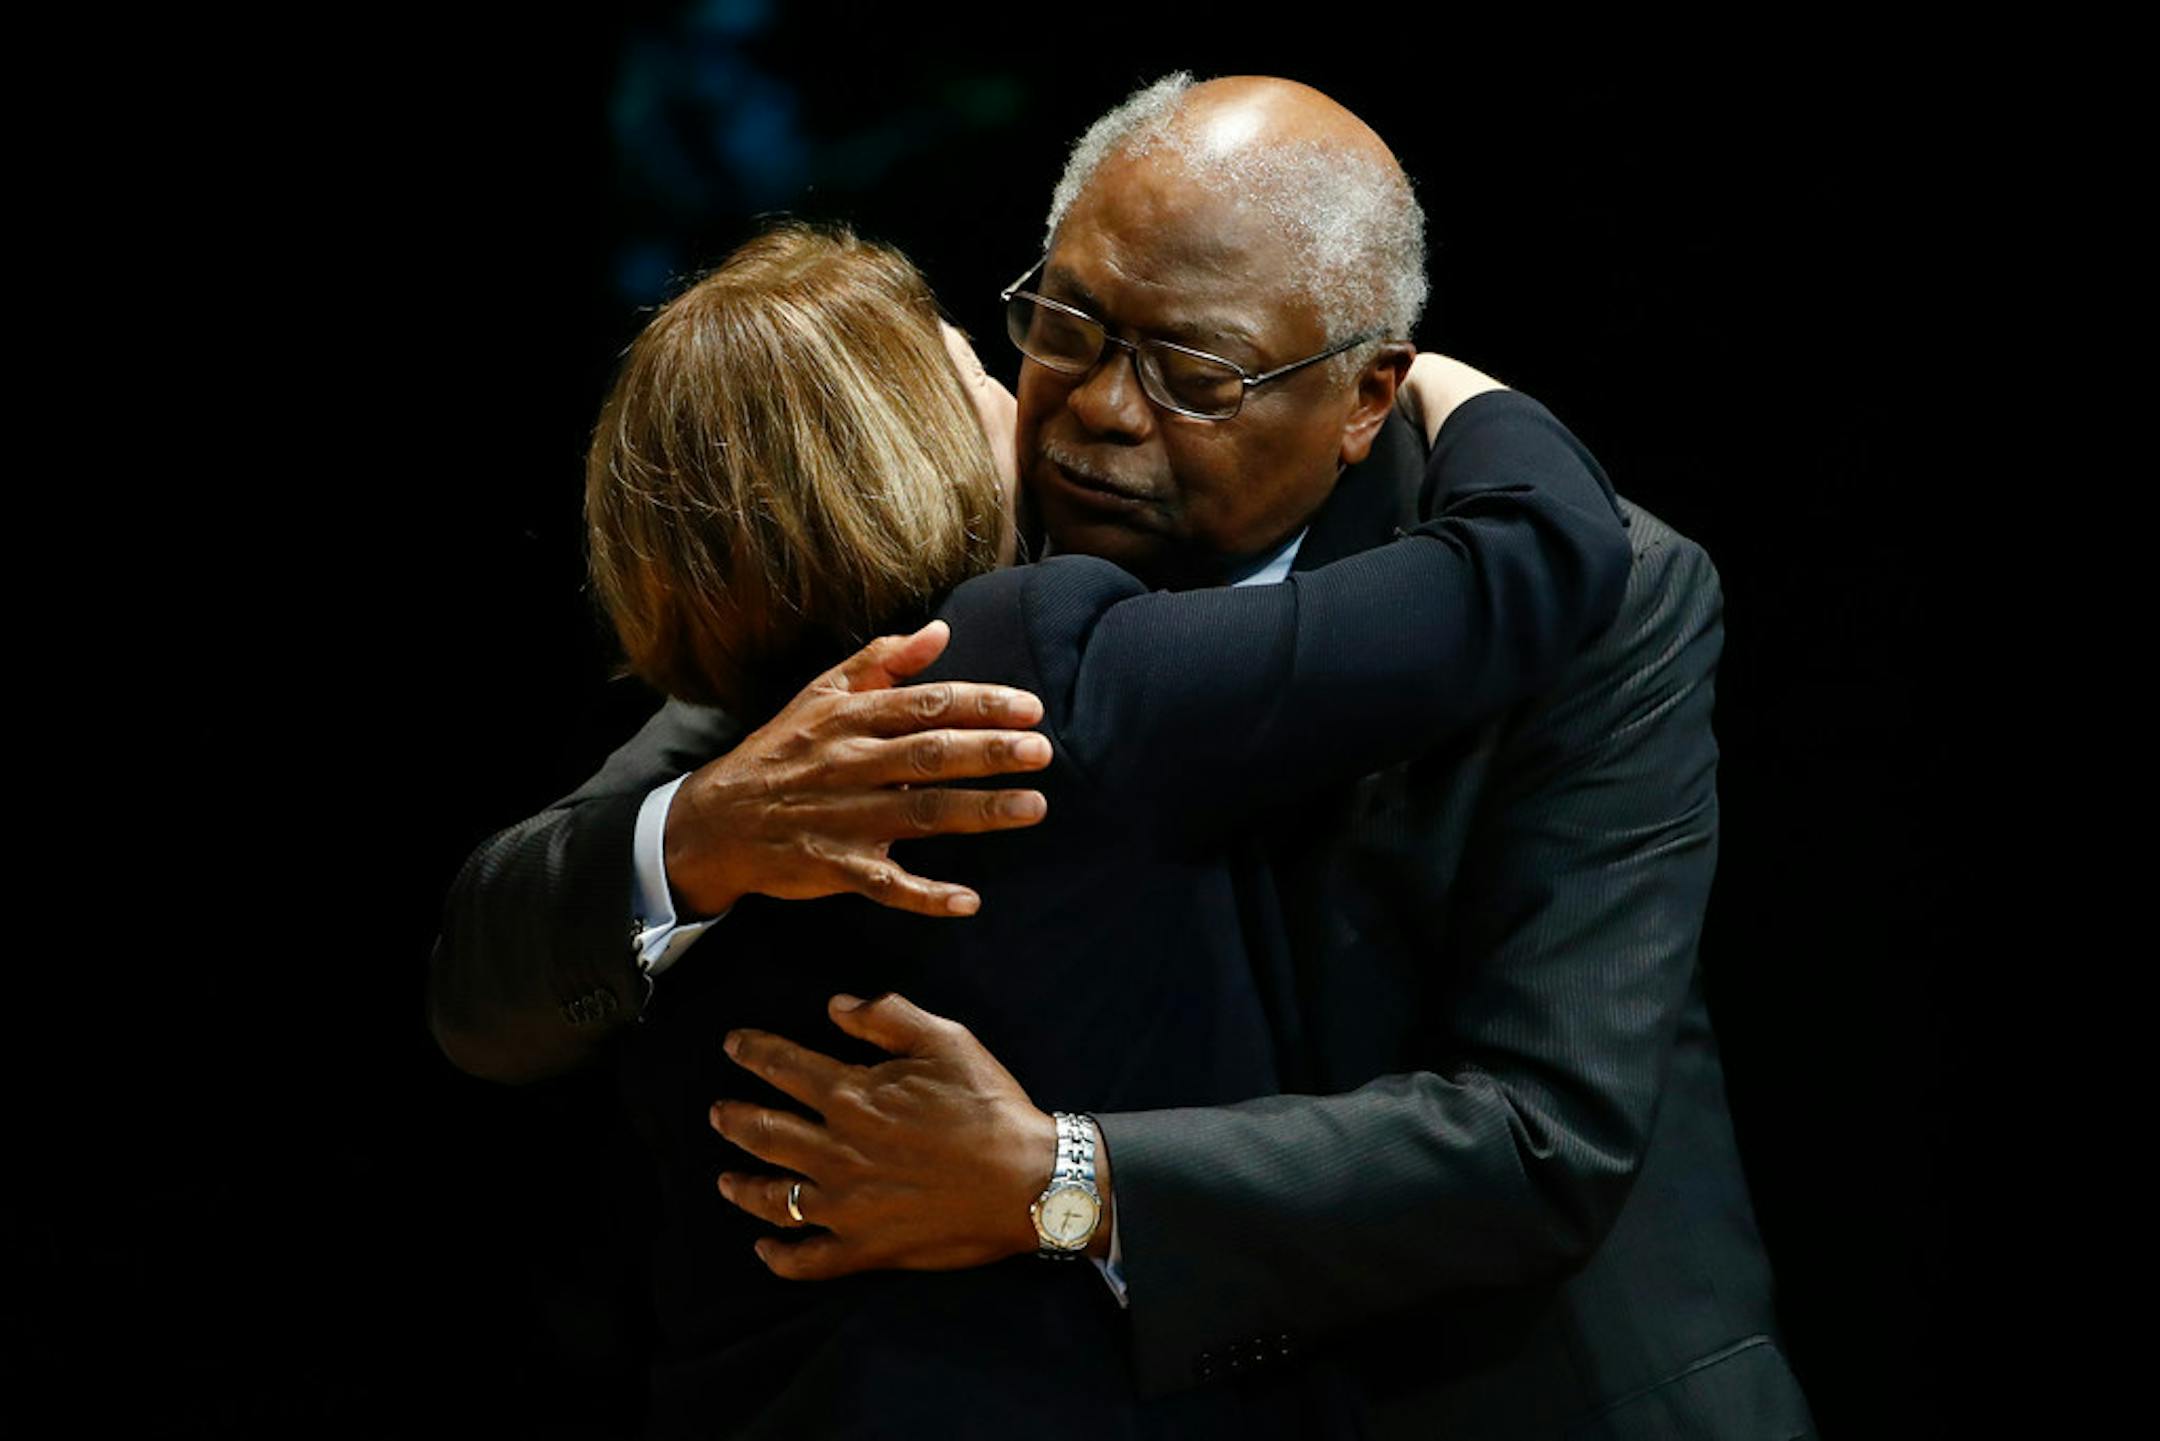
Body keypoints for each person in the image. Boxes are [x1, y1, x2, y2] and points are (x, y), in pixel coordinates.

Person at [433, 75, 1815, 1439]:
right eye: (1067, 324)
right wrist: (697, 834)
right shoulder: (948, 568)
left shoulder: (1610, 598)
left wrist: (1062, 1174)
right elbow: (492, 964)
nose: (1098, 409)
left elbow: (1541, 1137)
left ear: (1363, 395)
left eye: (1193, 374)